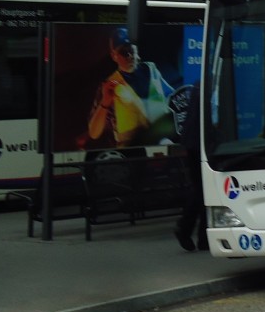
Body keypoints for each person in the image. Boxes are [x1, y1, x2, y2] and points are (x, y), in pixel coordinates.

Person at [87, 27, 175, 147]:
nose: (129, 56)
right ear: (114, 55)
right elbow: (93, 133)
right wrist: (105, 103)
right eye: (123, 52)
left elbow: (172, 95)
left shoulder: (150, 69)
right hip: (132, 149)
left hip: (162, 142)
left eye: (131, 49)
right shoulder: (109, 84)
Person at [173, 83, 207, 252]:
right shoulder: (213, 81)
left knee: (201, 188)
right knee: (205, 189)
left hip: (192, 141)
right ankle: (192, 231)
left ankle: (192, 232)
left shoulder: (199, 83)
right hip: (202, 143)